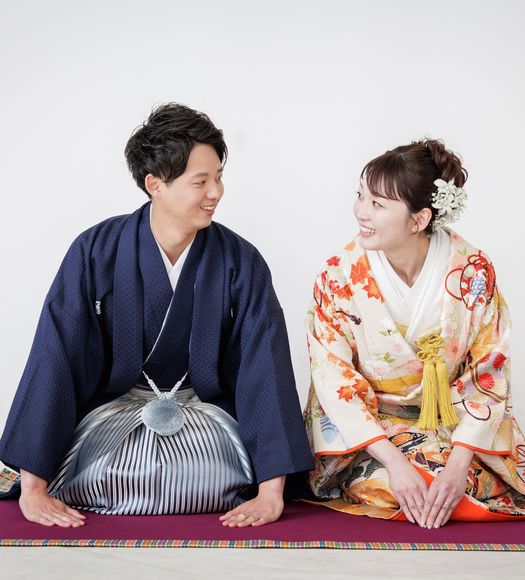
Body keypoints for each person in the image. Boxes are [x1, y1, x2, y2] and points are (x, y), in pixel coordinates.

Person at [0, 103, 313, 527]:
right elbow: (56, 356)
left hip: (206, 418)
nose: (216, 192)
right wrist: (34, 488)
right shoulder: (95, 251)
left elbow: (265, 366)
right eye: (200, 181)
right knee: (104, 475)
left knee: (208, 476)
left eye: (219, 177)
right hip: (114, 415)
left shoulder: (240, 260)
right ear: (155, 184)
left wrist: (270, 492)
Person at [303, 139, 525, 528]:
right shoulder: (338, 275)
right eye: (360, 195)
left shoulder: (472, 271)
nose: (361, 212)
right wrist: (396, 464)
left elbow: (488, 370)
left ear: (418, 220)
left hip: (450, 421)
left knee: (460, 483)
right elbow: (333, 377)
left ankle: (450, 477)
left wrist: (457, 465)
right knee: (393, 484)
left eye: (377, 204)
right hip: (374, 429)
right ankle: (409, 475)